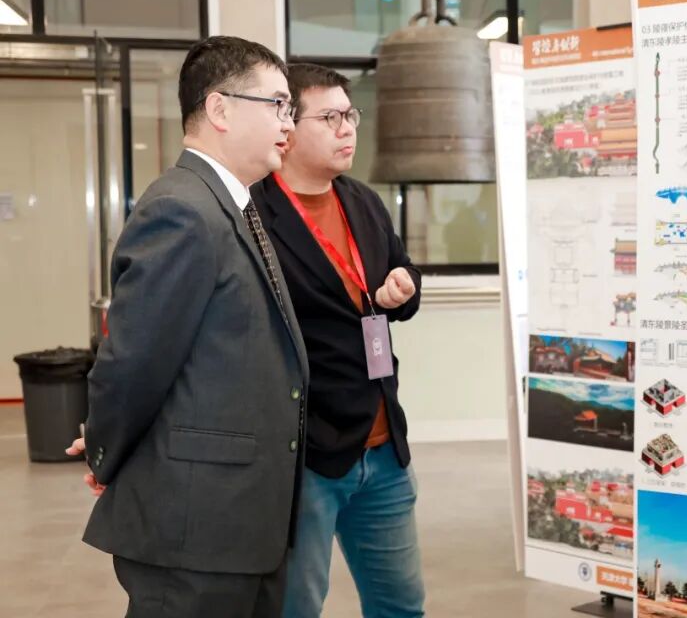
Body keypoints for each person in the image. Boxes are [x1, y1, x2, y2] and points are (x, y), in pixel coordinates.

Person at [64, 36, 309, 616]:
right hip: (196, 529)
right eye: (277, 104)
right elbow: (133, 363)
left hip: (242, 522)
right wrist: (105, 449)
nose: (288, 123)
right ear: (220, 108)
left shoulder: (232, 205)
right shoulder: (183, 209)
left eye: (291, 108)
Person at [249, 63, 425, 618]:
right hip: (308, 453)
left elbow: (401, 274)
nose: (347, 128)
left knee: (402, 606)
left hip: (384, 446)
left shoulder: (363, 201)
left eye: (351, 115)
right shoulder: (252, 214)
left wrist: (404, 288)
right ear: (288, 126)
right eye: (330, 117)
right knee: (297, 608)